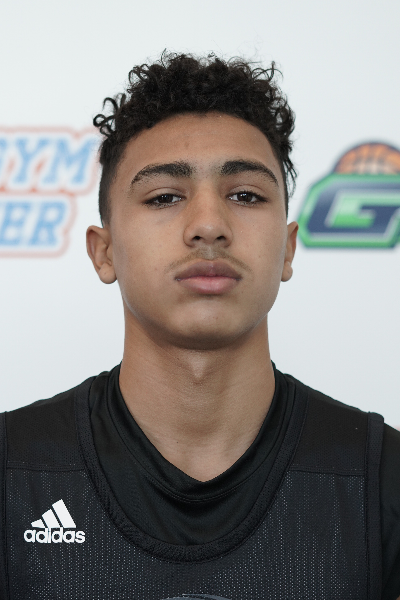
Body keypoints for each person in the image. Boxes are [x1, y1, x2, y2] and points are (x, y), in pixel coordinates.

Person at [0, 53, 399, 600]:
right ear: (104, 251)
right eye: (165, 196)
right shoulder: (12, 470)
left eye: (245, 195)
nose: (209, 225)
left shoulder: (382, 481)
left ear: (288, 249)